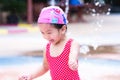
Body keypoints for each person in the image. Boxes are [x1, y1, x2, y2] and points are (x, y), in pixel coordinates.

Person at [19, 6, 80, 80]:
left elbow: (73, 54)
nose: (46, 37)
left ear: (63, 29)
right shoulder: (47, 48)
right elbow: (45, 67)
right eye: (43, 33)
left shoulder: (72, 43)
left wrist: (72, 61)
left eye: (49, 32)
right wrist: (31, 76)